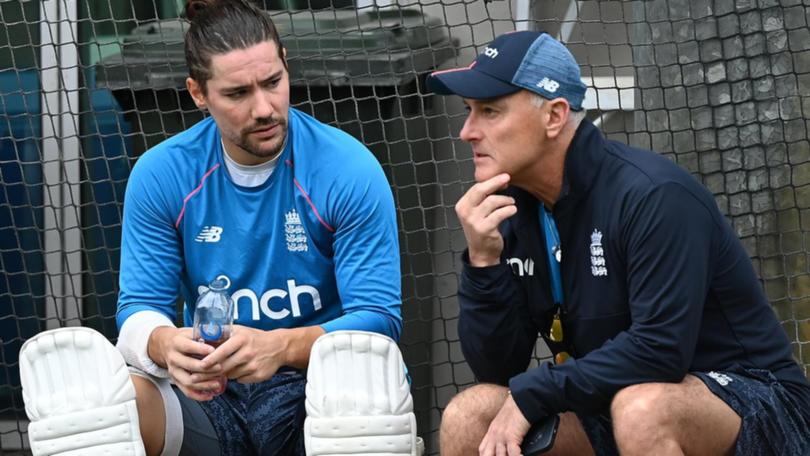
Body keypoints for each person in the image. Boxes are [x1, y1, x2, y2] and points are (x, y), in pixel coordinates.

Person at [22, 1, 401, 455]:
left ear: (286, 65)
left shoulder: (348, 168)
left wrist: (279, 347)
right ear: (198, 93)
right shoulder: (162, 172)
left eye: (273, 83)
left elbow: (378, 321)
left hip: (316, 392)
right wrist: (164, 345)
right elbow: (140, 307)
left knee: (363, 395)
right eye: (238, 93)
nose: (264, 107)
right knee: (85, 406)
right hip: (208, 391)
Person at [426, 30, 810, 456]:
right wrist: (484, 263)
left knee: (643, 409)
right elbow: (498, 369)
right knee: (471, 414)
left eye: (490, 111)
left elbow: (659, 352)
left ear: (554, 116)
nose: (467, 132)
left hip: (756, 406)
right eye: (468, 111)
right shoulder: (512, 210)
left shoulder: (653, 195)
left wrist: (537, 390)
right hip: (610, 403)